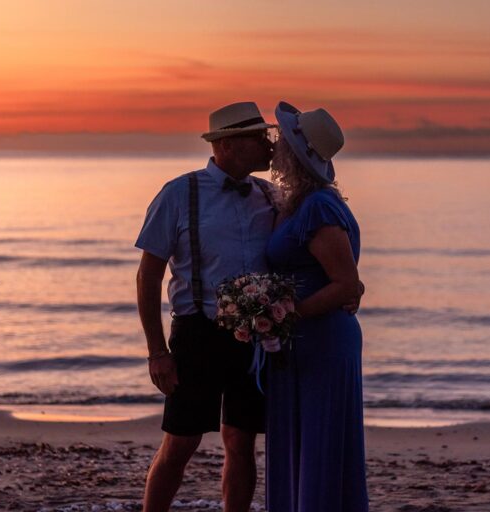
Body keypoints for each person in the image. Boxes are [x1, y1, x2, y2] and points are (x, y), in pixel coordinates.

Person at [135, 102, 278, 512]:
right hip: (198, 333)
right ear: (229, 144)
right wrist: (157, 352)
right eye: (259, 138)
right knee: (180, 441)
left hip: (254, 338)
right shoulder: (180, 192)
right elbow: (148, 276)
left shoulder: (269, 195)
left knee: (242, 441)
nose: (269, 146)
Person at [264, 101, 369, 511]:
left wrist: (288, 316)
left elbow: (345, 284)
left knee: (320, 442)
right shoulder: (292, 203)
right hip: (296, 344)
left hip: (322, 341)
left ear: (294, 152)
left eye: (280, 139)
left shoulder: (319, 207)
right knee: (299, 442)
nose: (273, 145)